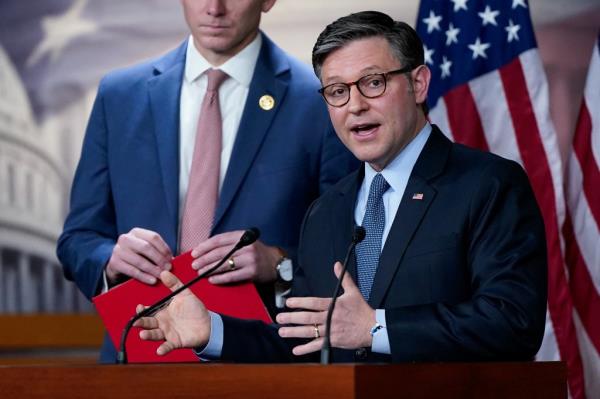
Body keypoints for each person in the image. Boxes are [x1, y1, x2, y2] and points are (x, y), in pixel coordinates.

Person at [134, 10, 548, 363]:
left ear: (418, 83)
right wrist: (214, 331)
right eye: (337, 91)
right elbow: (305, 342)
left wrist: (376, 329)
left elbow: (513, 323)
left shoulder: (489, 185)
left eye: (373, 83)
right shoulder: (326, 210)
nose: (354, 105)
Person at [56, 0, 357, 363]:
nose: (214, 8)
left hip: (260, 363)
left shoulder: (318, 101)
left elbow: (352, 246)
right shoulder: (120, 96)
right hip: (138, 357)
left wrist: (279, 264)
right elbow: (77, 240)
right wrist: (110, 260)